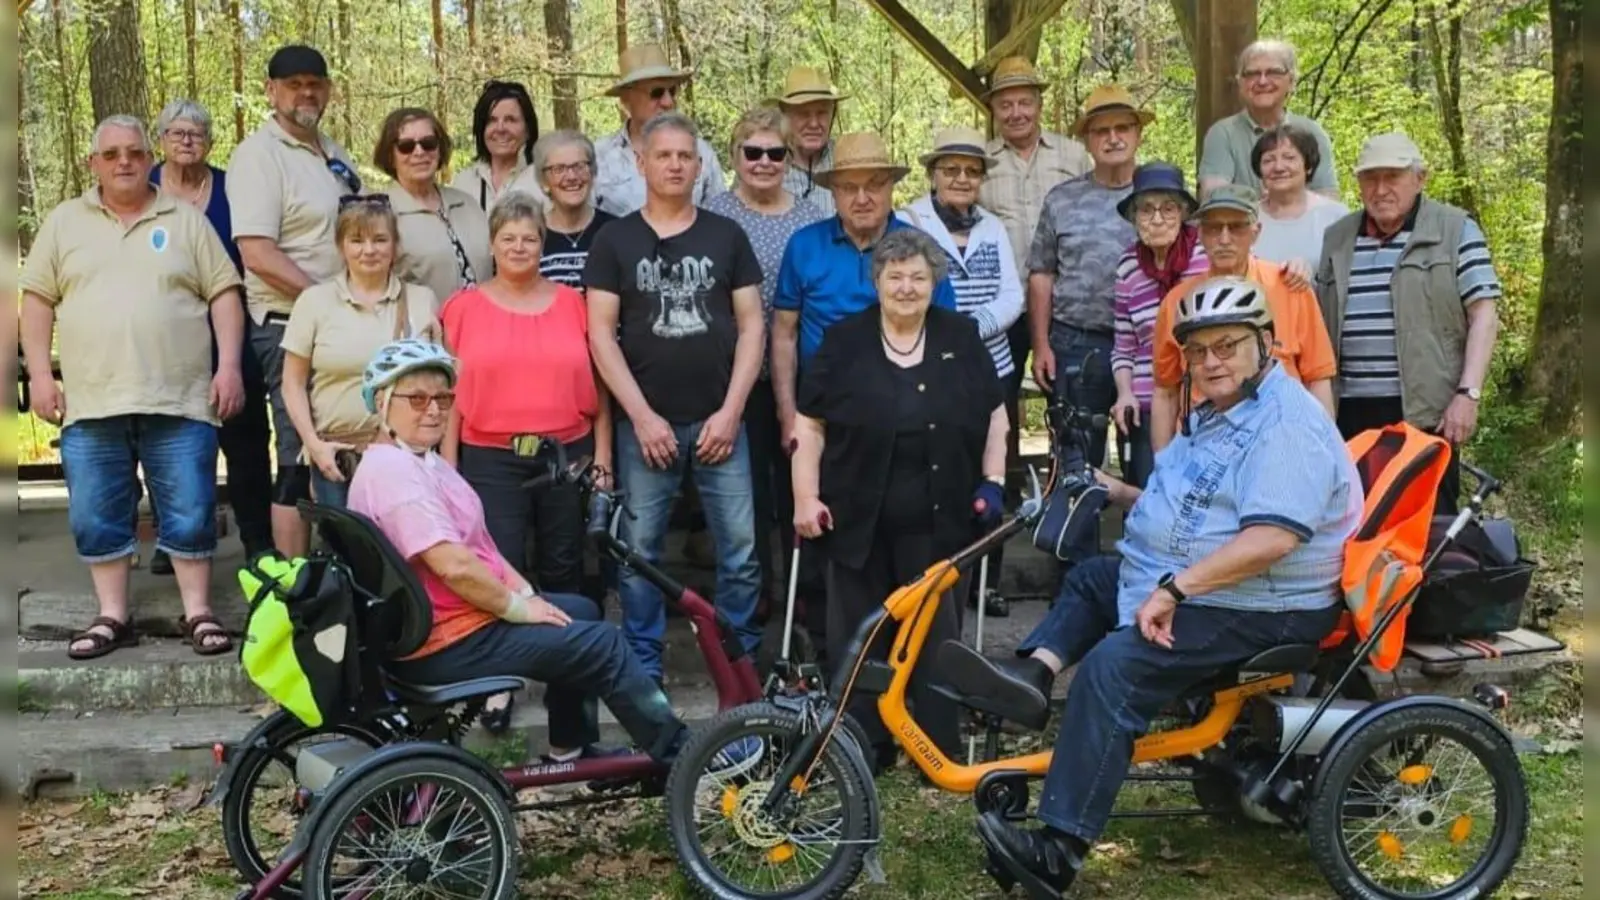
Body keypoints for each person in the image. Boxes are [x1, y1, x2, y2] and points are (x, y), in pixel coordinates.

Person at [968, 277, 1362, 896]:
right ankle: (1032, 679)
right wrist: (1117, 490)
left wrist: (1175, 590)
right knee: (1098, 577)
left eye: (1226, 346)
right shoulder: (1222, 411)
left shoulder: (1286, 425)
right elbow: (1195, 500)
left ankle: (1058, 851)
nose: (1210, 362)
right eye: (1199, 352)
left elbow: (1272, 539)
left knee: (1112, 670)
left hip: (1269, 603)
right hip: (1221, 586)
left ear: (1265, 343)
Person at [348, 340, 680, 765]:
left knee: (580, 609)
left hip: (454, 621)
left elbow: (477, 545)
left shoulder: (418, 462)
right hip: (445, 640)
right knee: (600, 643)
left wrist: (526, 595)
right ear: (382, 401)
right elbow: (454, 566)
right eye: (417, 398)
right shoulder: (395, 477)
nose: (433, 409)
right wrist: (518, 610)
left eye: (443, 398)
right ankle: (680, 753)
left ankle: (569, 748)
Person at [21, 115, 246, 659]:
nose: (125, 161)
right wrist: (42, 376)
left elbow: (224, 294)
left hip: (181, 396)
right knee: (97, 512)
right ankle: (111, 616)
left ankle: (199, 613)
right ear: (93, 163)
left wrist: (231, 366)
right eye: (113, 153)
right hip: (92, 399)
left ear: (151, 159)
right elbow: (36, 302)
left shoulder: (186, 220)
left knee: (191, 509)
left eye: (135, 152)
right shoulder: (64, 222)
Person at [792, 228, 1010, 772]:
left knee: (937, 636)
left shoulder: (960, 335)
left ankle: (935, 746)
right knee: (860, 636)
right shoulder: (844, 341)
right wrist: (805, 495)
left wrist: (993, 482)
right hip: (856, 515)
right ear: (878, 282)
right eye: (896, 277)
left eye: (918, 276)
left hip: (941, 516)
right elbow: (809, 424)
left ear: (933, 282)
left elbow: (996, 417)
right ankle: (863, 749)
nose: (907, 287)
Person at [584, 112, 766, 683]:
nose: (675, 165)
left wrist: (732, 412)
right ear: (641, 163)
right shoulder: (614, 239)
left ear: (699, 164)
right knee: (639, 555)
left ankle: (737, 662)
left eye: (686, 156)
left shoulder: (726, 236)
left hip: (721, 424)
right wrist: (641, 417)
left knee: (740, 551)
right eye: (663, 155)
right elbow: (599, 335)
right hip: (646, 430)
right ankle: (642, 671)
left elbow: (753, 326)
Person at [770, 130, 958, 649]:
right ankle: (839, 670)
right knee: (831, 545)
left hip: (908, 422)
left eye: (874, 184)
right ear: (833, 192)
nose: (862, 197)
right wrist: (788, 412)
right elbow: (784, 333)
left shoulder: (920, 252)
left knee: (904, 548)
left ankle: (912, 667)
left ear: (891, 188)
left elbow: (949, 344)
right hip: (826, 420)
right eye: (849, 186)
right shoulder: (805, 246)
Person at [1315, 132, 1501, 514]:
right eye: (1370, 178)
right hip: (1348, 410)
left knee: (1429, 521)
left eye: (1392, 177)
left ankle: (1434, 578)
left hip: (1425, 410)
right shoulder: (1337, 238)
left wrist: (1468, 395)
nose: (1380, 189)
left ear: (1420, 178)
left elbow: (1484, 313)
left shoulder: (1454, 229)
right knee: (1357, 518)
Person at [228, 44, 361, 557]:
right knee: (297, 452)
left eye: (315, 83)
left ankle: (341, 574)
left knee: (343, 442)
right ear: (271, 91)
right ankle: (295, 586)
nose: (306, 92)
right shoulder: (259, 155)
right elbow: (257, 252)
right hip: (288, 323)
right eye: (293, 83)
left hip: (344, 321)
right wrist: (325, 300)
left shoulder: (334, 152)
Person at [705, 107, 826, 615]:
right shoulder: (713, 215)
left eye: (775, 153)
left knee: (802, 482)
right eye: (752, 152)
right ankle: (757, 600)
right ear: (735, 156)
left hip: (805, 371)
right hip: (735, 376)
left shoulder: (811, 215)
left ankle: (807, 595)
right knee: (747, 495)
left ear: (789, 158)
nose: (763, 162)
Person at [899, 125, 1024, 617]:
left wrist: (975, 329)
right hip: (933, 366)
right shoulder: (910, 222)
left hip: (993, 366)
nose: (961, 178)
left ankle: (987, 580)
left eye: (971, 171)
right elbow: (908, 288)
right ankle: (941, 577)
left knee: (994, 472)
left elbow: (1011, 293)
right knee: (943, 469)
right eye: (950, 169)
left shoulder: (992, 227)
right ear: (933, 175)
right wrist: (954, 335)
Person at [148, 98, 274, 567]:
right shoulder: (142, 189)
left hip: (232, 330)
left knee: (244, 437)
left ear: (210, 142)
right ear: (161, 140)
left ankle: (257, 538)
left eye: (196, 134)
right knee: (168, 437)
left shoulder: (231, 188)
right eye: (177, 132)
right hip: (164, 338)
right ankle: (173, 536)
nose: (186, 140)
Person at [280, 196, 441, 509]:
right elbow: (292, 383)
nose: (369, 250)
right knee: (347, 551)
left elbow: (442, 385)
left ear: (395, 246)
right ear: (341, 247)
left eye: (380, 239)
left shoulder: (423, 300)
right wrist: (314, 446)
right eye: (357, 240)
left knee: (403, 553)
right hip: (338, 458)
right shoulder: (314, 302)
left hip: (406, 457)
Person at [1150, 185, 1337, 450]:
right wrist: (1162, 467)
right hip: (1202, 446)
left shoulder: (1290, 288)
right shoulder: (1178, 301)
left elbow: (1318, 379)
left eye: (1236, 227)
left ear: (1256, 232)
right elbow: (1165, 392)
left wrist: (1323, 451)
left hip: (1281, 443)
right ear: (1201, 235)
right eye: (1214, 228)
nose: (1224, 239)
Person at [1026, 85, 1151, 470]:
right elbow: (1042, 274)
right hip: (1075, 343)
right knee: (1076, 460)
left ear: (1137, 134)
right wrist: (1041, 345)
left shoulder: (1160, 196)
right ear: (1087, 141)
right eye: (1101, 131)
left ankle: (1144, 531)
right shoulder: (1061, 199)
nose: (1113, 138)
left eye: (1122, 128)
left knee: (1146, 461)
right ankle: (1076, 530)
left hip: (1146, 347)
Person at [979, 56, 1092, 468]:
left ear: (1039, 104)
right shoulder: (981, 161)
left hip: (1062, 302)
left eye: (1024, 102)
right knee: (997, 398)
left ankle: (1067, 483)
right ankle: (1002, 489)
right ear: (993, 110)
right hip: (1001, 304)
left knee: (1064, 398)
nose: (1016, 113)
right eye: (1005, 105)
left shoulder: (1075, 155)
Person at [1108, 162, 1208, 489]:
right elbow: (1124, 345)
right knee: (1148, 497)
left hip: (1205, 402)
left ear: (1182, 213)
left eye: (1168, 208)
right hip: (1147, 403)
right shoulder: (1128, 265)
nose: (1157, 218)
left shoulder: (1207, 255)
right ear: (1134, 218)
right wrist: (1124, 394)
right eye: (1147, 210)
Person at [592, 43, 726, 217]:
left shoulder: (701, 152)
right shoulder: (598, 156)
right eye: (656, 93)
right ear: (626, 99)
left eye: (672, 91)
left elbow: (720, 220)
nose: (668, 102)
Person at [1198, 39, 1339, 199]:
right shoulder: (1223, 134)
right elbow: (1213, 199)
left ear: (1291, 81)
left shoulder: (1312, 132)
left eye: (1274, 72)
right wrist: (1267, 203)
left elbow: (1328, 199)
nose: (1263, 81)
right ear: (1241, 83)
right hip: (1242, 224)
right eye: (1252, 74)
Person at [378, 108, 492, 304]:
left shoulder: (466, 203)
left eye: (428, 143)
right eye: (406, 146)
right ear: (390, 155)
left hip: (482, 326)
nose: (419, 152)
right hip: (423, 329)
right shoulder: (379, 211)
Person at [1250, 124, 1350, 267]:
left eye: (1289, 158)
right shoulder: (1246, 219)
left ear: (1308, 166)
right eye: (1269, 160)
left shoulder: (1336, 217)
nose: (1278, 167)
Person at [532, 130, 616, 290]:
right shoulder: (531, 234)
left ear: (592, 172)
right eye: (559, 169)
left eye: (579, 166)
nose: (571, 176)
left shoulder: (615, 231)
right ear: (543, 180)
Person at [450, 79, 543, 211]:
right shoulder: (464, 183)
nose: (500, 129)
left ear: (528, 129)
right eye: (491, 120)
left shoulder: (544, 182)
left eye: (510, 120)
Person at [769, 65, 846, 214]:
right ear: (785, 116)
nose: (814, 124)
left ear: (832, 115)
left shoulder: (845, 159)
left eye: (822, 113)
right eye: (803, 114)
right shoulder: (764, 162)